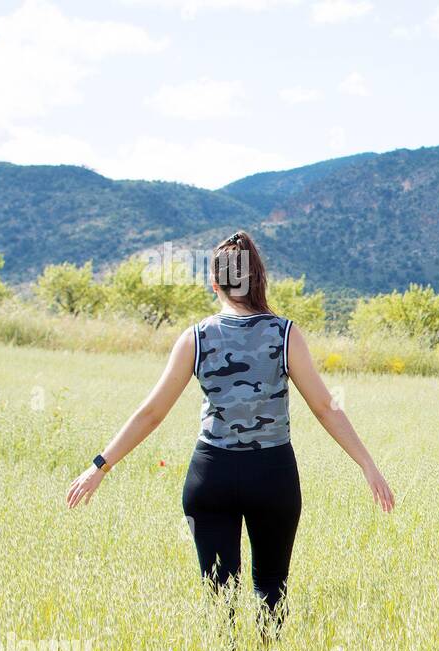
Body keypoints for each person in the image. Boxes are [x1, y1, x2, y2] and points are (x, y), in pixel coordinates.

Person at [65, 231, 394, 625]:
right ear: (258, 279)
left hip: (211, 476)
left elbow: (151, 412)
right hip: (272, 476)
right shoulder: (284, 333)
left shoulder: (196, 338)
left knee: (219, 595)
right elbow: (325, 406)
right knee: (272, 589)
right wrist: (367, 464)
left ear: (215, 282)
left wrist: (100, 465)